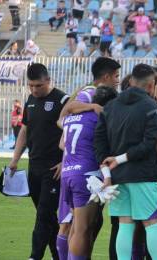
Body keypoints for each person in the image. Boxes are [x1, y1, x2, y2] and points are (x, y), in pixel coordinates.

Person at [93, 64, 157, 260]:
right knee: (152, 224)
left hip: (117, 178)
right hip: (143, 174)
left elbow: (99, 143)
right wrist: (120, 159)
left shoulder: (110, 107)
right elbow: (150, 144)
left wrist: (107, 174)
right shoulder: (153, 107)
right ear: (151, 85)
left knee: (125, 224)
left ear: (131, 81)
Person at [8, 63, 70, 260]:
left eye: (38, 86)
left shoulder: (63, 100)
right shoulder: (30, 100)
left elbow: (75, 134)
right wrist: (15, 160)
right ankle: (58, 255)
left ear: (48, 81)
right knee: (49, 217)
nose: (34, 90)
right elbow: (25, 131)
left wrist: (65, 162)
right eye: (31, 85)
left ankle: (34, 256)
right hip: (33, 167)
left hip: (54, 169)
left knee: (44, 214)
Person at [59, 86, 118, 259]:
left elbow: (62, 139)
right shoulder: (99, 119)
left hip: (68, 173)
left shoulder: (72, 117)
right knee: (83, 229)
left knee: (77, 226)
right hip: (86, 175)